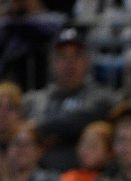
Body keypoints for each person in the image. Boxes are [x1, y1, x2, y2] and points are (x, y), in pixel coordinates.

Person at [22, 27, 118, 172]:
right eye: (62, 56)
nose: (70, 63)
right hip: (39, 180)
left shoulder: (102, 97)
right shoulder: (33, 101)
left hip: (85, 180)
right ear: (52, 62)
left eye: (76, 56)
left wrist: (42, 129)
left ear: (86, 61)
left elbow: (88, 116)